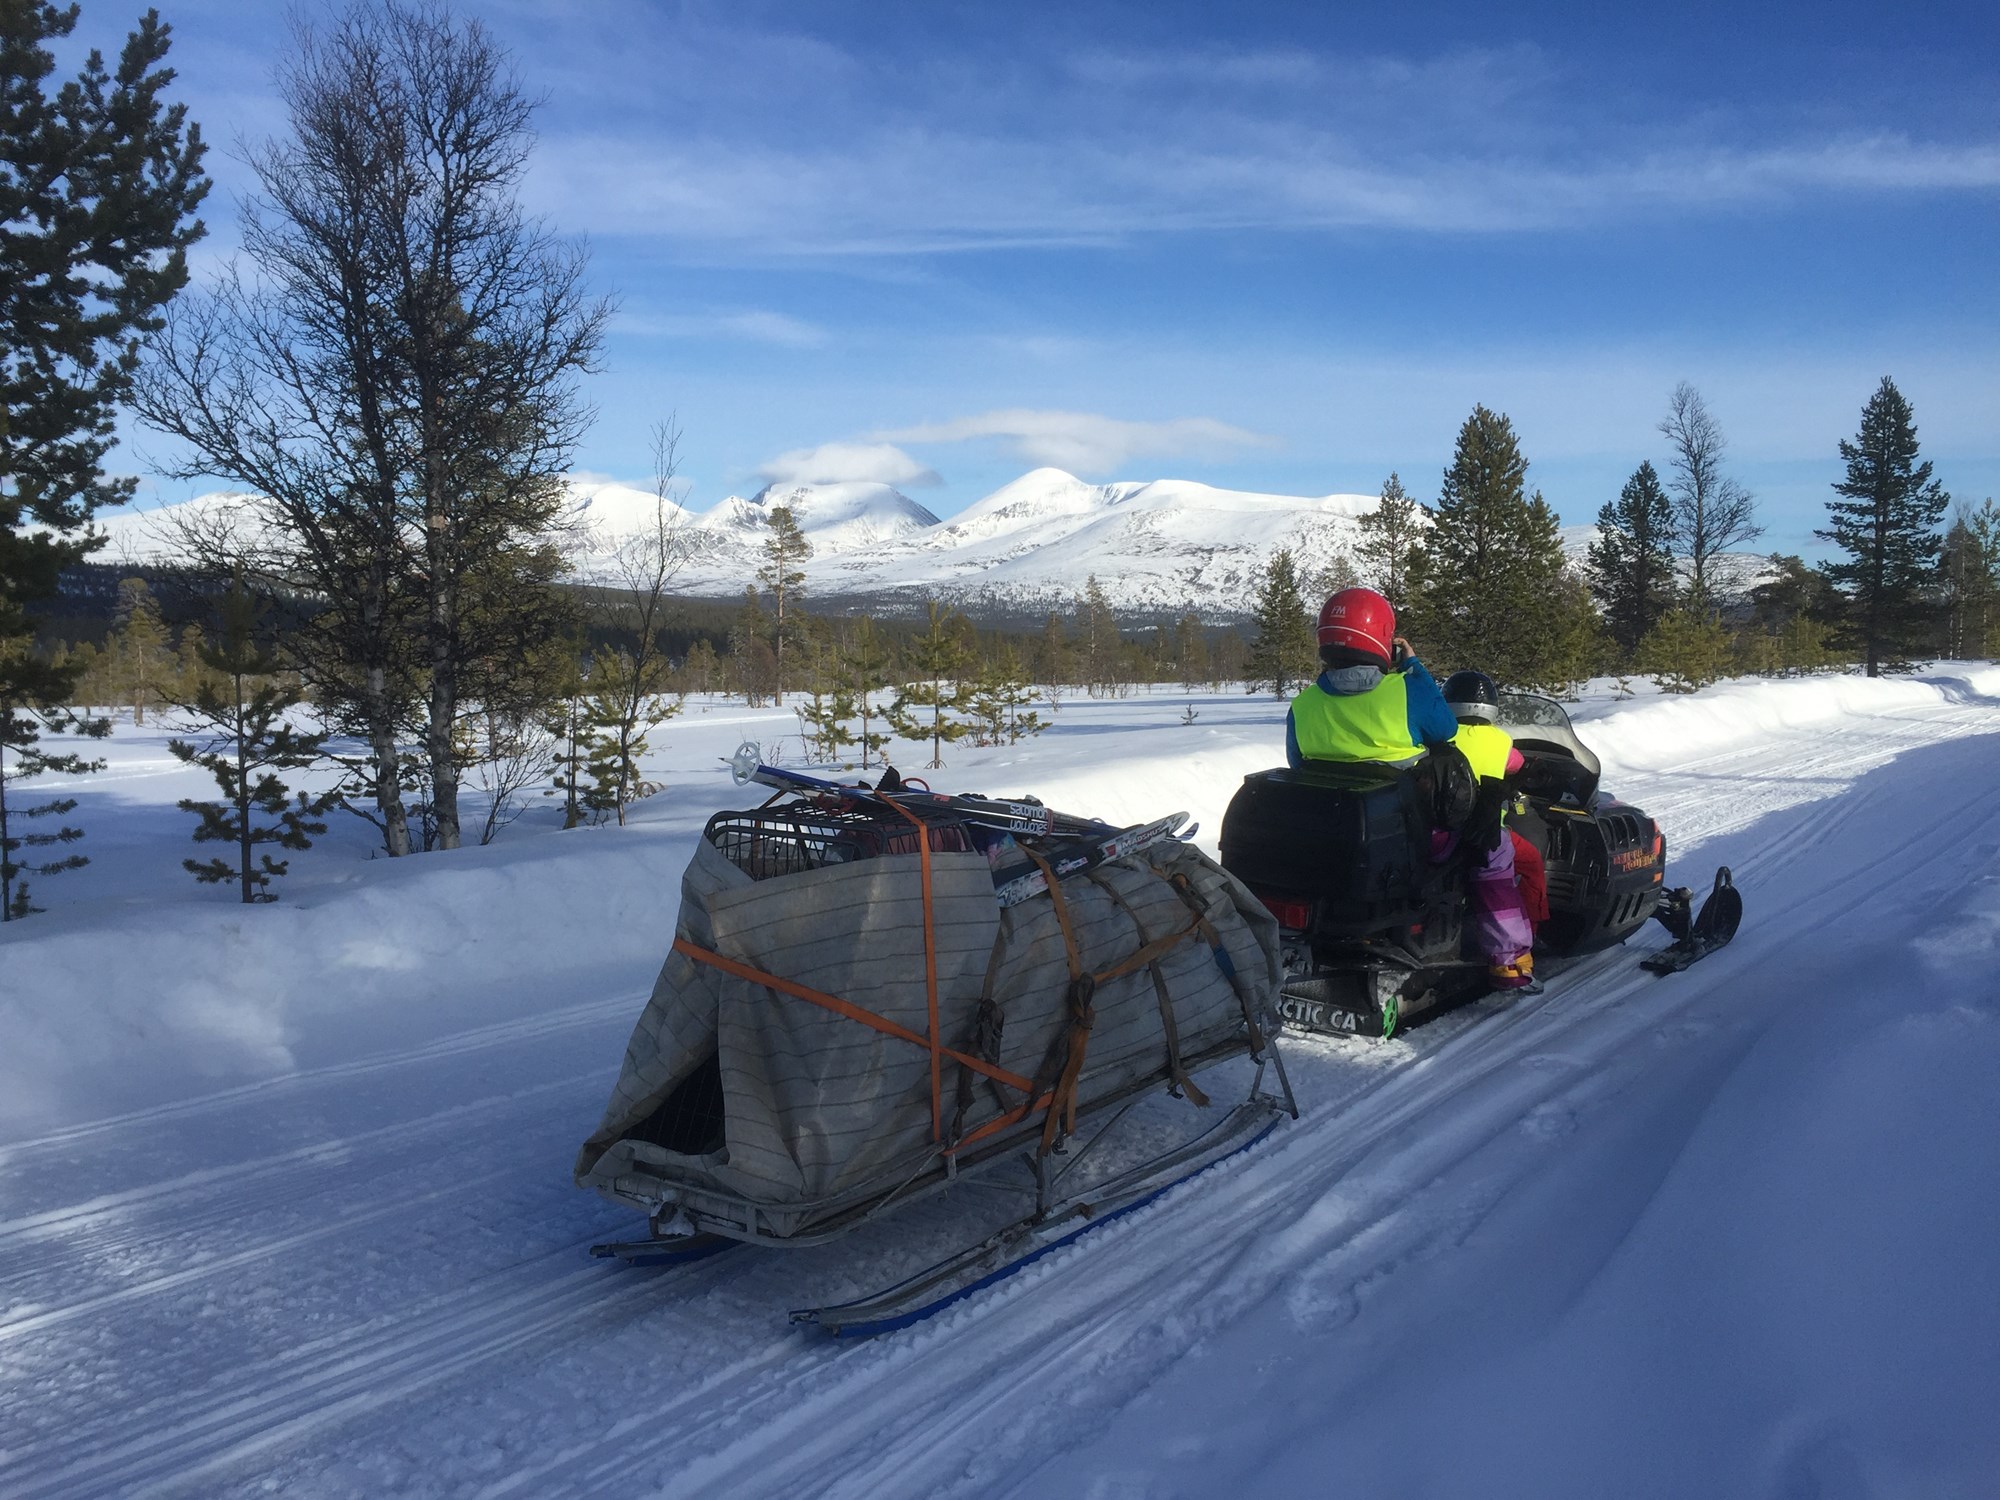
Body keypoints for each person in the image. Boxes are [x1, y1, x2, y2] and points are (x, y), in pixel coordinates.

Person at [1441, 670, 1539, 991]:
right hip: (1487, 836)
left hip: (1440, 834)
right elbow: (1517, 764)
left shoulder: (1441, 737)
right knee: (1499, 892)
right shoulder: (1501, 740)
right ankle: (1509, 963)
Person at [1286, 588, 1458, 769]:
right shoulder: (1408, 691)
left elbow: (1296, 764)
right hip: (1401, 795)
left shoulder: (1301, 706)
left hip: (1322, 797)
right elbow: (1446, 729)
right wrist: (1414, 667)